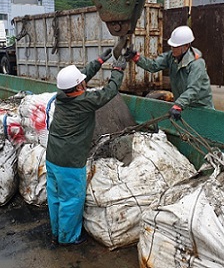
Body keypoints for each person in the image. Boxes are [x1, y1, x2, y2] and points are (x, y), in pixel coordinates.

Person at [45, 48, 126, 246]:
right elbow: (109, 92)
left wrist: (99, 61)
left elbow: (79, 78)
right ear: (79, 86)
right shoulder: (84, 101)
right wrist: (118, 70)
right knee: (72, 199)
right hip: (70, 162)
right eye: (82, 81)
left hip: (52, 156)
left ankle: (56, 232)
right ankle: (68, 238)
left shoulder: (63, 95)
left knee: (55, 196)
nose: (84, 81)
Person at [125, 25, 213, 120]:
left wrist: (179, 105)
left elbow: (193, 89)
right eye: (172, 46)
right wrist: (137, 58)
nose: (172, 49)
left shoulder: (196, 64)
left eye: (175, 46)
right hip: (184, 107)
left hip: (201, 108)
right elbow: (154, 66)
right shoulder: (171, 57)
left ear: (186, 46)